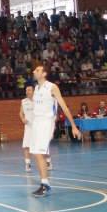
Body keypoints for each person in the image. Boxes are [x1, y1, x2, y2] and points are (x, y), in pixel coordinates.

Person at [28, 65, 80, 197]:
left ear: (44, 74)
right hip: (36, 123)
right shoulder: (36, 88)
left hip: (46, 123)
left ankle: (45, 185)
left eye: (37, 70)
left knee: (40, 153)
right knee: (36, 153)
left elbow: (63, 106)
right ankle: (44, 183)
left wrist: (73, 126)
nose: (34, 71)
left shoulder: (52, 87)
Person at [19, 85, 37, 172]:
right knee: (26, 146)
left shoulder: (39, 101)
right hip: (28, 127)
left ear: (33, 91)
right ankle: (28, 164)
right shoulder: (23, 101)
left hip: (39, 127)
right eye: (26, 90)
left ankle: (48, 162)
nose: (27, 92)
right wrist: (22, 119)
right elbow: (21, 113)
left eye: (29, 90)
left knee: (43, 146)